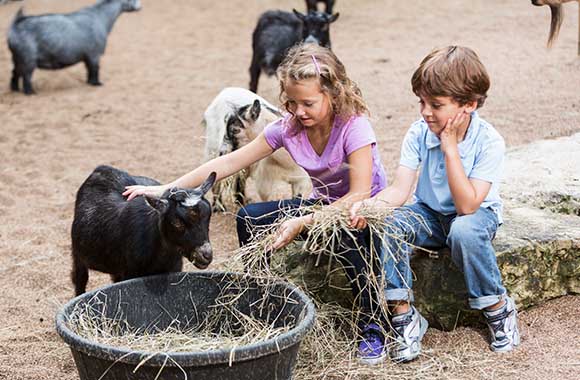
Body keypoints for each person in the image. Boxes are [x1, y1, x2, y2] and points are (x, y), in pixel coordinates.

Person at [123, 43, 388, 361]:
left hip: (362, 209)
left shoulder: (353, 126)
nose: (298, 111)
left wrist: (302, 222)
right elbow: (228, 164)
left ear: (334, 94)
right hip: (321, 204)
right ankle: (265, 303)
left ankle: (372, 324)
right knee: (249, 217)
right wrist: (165, 189)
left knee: (353, 235)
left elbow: (358, 194)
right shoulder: (289, 128)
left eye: (308, 103)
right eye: (291, 102)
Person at [349, 46, 520, 363]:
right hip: (428, 214)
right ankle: (403, 316)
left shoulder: (488, 140)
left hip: (474, 216)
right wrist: (371, 207)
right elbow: (400, 190)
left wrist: (450, 147)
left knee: (464, 232)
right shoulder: (418, 133)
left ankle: (497, 308)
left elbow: (468, 206)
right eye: (422, 102)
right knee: (388, 223)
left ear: (469, 105)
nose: (425, 112)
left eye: (436, 105)